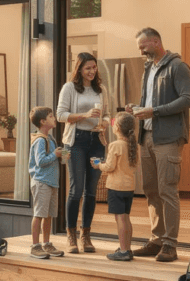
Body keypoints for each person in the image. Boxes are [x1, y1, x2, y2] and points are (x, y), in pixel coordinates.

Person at [128, 28, 190, 262]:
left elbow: (188, 99)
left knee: (167, 191)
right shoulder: (149, 68)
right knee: (150, 191)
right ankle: (156, 240)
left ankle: (170, 245)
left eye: (143, 46)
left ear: (156, 42)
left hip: (168, 139)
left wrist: (153, 111)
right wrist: (136, 108)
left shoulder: (178, 67)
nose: (141, 50)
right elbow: (149, 102)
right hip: (146, 137)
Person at [57, 52, 108, 254]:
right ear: (79, 69)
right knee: (76, 189)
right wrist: (84, 115)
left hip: (97, 141)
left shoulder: (101, 89)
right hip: (75, 141)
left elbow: (110, 115)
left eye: (94, 67)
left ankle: (85, 235)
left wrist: (105, 122)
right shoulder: (69, 88)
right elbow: (60, 115)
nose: (92, 71)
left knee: (91, 191)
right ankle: (70, 235)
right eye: (88, 68)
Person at [92, 112, 139, 261]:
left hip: (116, 187)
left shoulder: (115, 145)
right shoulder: (132, 145)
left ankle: (123, 251)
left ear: (117, 127)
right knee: (126, 218)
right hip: (129, 187)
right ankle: (128, 248)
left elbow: (110, 166)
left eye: (113, 122)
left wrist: (98, 165)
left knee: (119, 219)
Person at [27, 107, 65, 259]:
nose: (54, 118)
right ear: (43, 121)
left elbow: (53, 158)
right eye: (51, 116)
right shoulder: (40, 140)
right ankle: (35, 246)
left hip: (51, 183)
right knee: (39, 214)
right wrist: (55, 155)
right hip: (41, 182)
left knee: (48, 215)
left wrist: (62, 155)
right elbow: (40, 161)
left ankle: (46, 243)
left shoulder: (51, 139)